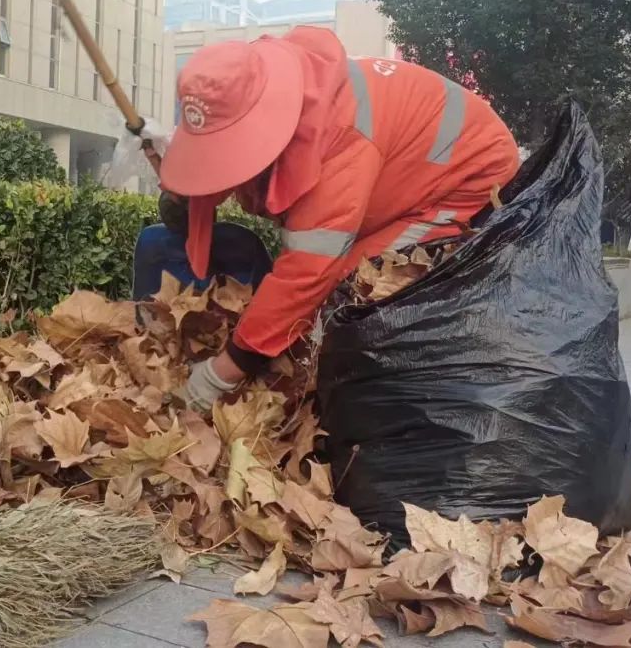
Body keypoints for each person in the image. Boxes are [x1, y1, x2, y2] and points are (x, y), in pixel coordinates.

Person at [160, 26, 520, 414]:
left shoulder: (338, 145)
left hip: (468, 179)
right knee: (327, 288)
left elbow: (306, 275)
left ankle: (313, 401)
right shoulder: (275, 89)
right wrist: (193, 193)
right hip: (412, 169)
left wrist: (223, 371)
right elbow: (234, 150)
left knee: (349, 289)